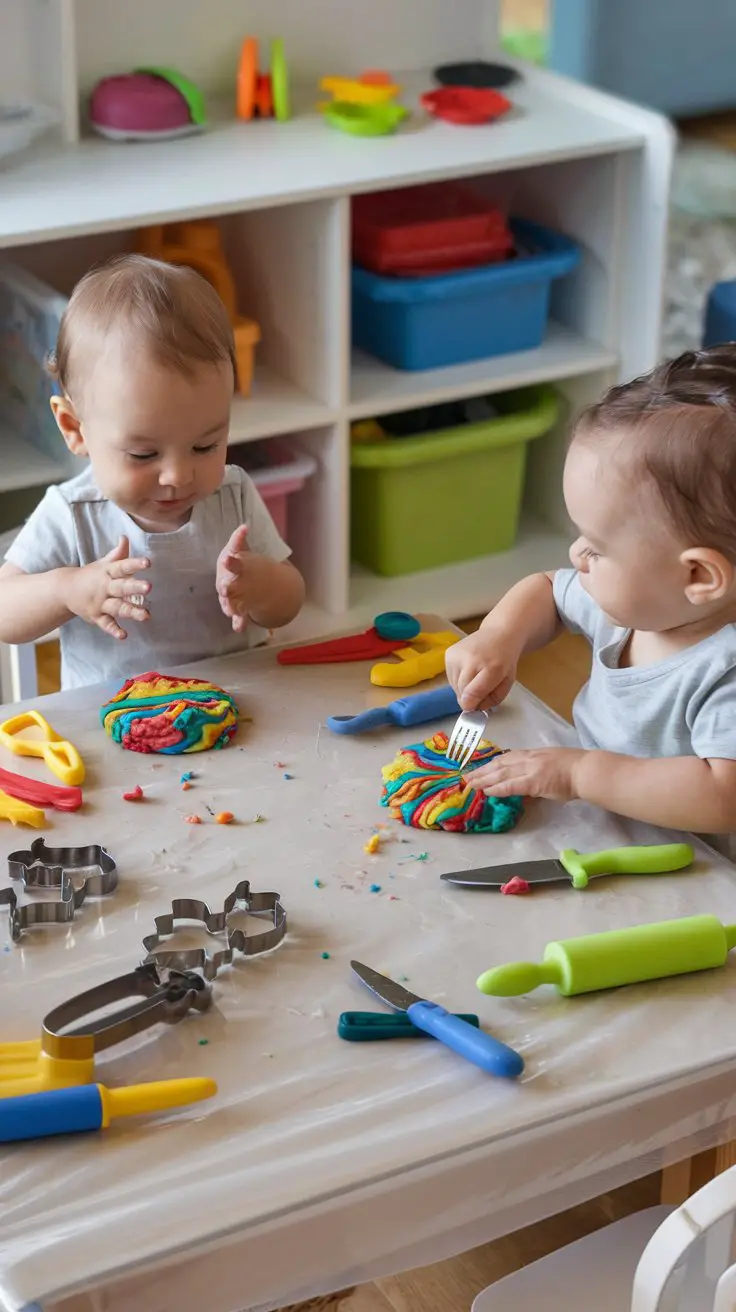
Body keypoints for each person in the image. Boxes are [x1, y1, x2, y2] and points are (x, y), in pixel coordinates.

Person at [446, 346, 736, 837]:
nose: (577, 554)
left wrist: (580, 773)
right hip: (612, 828)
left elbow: (724, 797)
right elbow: (546, 591)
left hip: (702, 880)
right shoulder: (643, 603)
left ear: (698, 579)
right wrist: (499, 635)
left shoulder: (724, 670)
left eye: (598, 547)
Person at [0, 254, 305, 689]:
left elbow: (289, 602)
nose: (178, 475)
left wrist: (262, 586)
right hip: (112, 723)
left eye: (205, 445)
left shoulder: (231, 494)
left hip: (232, 709)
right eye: (143, 455)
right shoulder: (73, 514)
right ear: (74, 429)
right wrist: (67, 589)